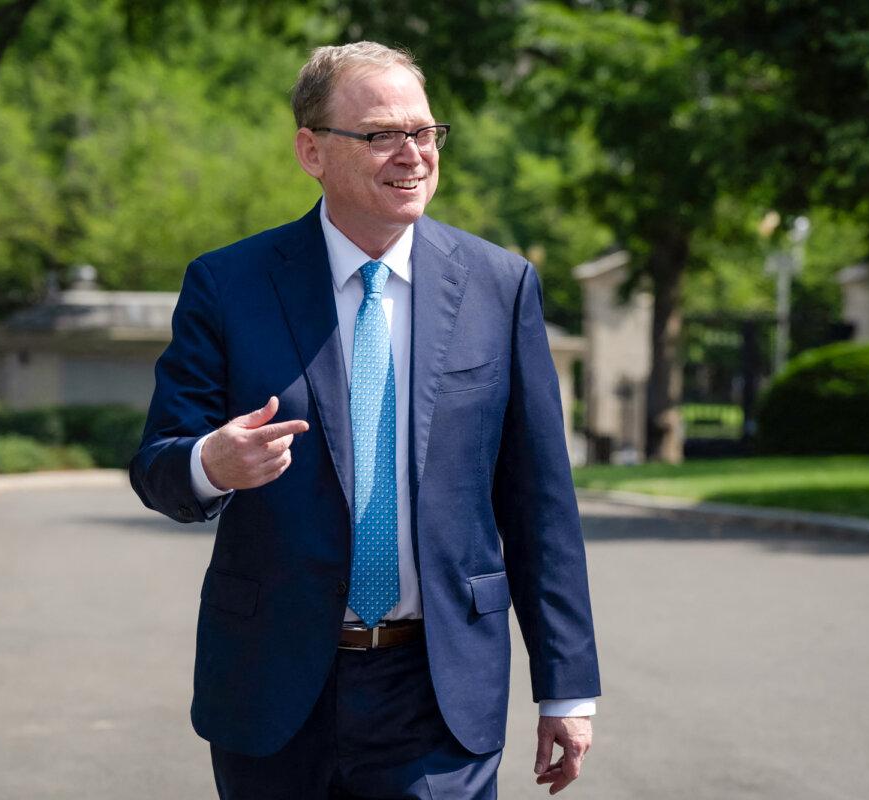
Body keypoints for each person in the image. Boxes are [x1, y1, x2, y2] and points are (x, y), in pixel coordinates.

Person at [129, 41, 600, 799]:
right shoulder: (229, 284)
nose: (412, 154)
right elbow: (157, 463)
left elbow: (540, 504)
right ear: (312, 151)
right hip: (274, 683)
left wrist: (567, 689)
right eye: (382, 134)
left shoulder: (499, 286)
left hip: (438, 690)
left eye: (425, 132)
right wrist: (208, 465)